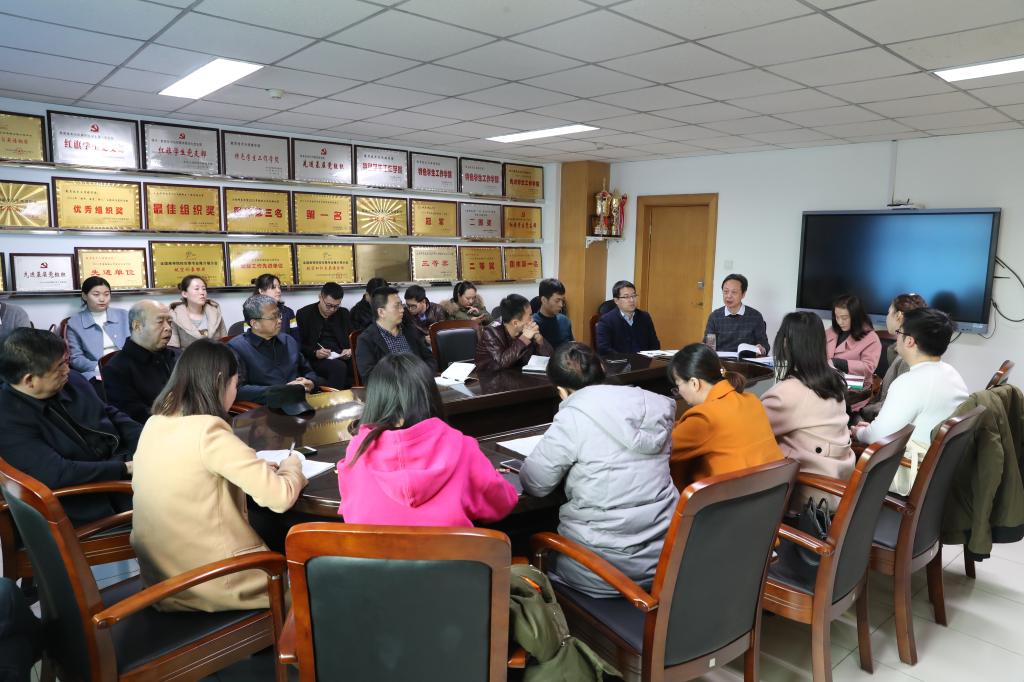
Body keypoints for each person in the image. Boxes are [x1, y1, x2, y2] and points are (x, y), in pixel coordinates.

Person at [130, 340, 307, 612]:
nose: (235, 392)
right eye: (236, 384)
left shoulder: (155, 423)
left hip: (164, 578)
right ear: (219, 381)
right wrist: (292, 465)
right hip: (212, 580)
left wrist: (254, 466)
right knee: (315, 577)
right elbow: (280, 497)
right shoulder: (209, 431)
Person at [520, 343, 678, 597]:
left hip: (600, 571)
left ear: (561, 391)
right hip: (664, 562)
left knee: (527, 544)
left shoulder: (573, 418)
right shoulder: (653, 408)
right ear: (603, 369)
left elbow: (536, 483)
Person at [338, 353, 517, 526]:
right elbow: (503, 503)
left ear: (375, 400)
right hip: (452, 547)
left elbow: (350, 508)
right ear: (429, 396)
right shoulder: (462, 447)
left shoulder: (357, 450)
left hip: (375, 548)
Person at [0, 328, 140, 524]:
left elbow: (109, 414)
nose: (67, 370)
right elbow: (59, 473)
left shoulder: (72, 381)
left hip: (121, 469)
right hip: (88, 500)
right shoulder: (7, 417)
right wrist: (125, 468)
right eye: (59, 367)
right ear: (29, 380)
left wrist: (147, 439)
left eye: (66, 361)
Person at [852, 307, 969, 494]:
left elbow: (878, 437)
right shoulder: (952, 374)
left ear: (909, 341)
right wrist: (870, 430)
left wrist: (859, 433)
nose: (896, 337)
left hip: (910, 474)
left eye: (899, 332)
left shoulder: (910, 382)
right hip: (940, 474)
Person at [761, 312, 854, 511]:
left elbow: (750, 430)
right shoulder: (834, 381)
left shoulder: (787, 394)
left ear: (785, 343)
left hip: (811, 494)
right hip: (839, 482)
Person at [669, 343, 783, 490]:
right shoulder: (752, 400)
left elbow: (663, 450)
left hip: (728, 500)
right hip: (769, 498)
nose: (679, 391)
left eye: (678, 385)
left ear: (694, 383)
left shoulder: (703, 418)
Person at [227, 294, 319, 404]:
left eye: (279, 315)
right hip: (266, 408)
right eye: (273, 317)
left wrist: (311, 382)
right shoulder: (236, 348)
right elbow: (238, 390)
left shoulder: (288, 340)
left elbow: (308, 371)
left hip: (302, 402)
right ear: (254, 324)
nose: (279, 320)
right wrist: (280, 391)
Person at [103, 300, 179, 424]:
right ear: (137, 326)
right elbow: (133, 417)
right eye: (160, 322)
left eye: (169, 322)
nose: (168, 328)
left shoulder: (178, 355)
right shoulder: (116, 370)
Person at [861, 293, 928, 421]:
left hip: (882, 421)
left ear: (898, 316)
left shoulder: (908, 358)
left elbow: (894, 407)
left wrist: (863, 412)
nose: (887, 317)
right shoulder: (901, 351)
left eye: (888, 312)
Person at [356, 286, 437, 380]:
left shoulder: (409, 330)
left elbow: (430, 359)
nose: (402, 309)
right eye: (396, 306)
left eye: (401, 305)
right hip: (393, 387)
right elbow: (370, 377)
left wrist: (423, 376)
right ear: (381, 312)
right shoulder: (366, 340)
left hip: (420, 382)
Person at [65, 276, 130, 385]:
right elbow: (76, 358)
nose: (102, 299)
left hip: (127, 366)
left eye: (106, 294)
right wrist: (99, 366)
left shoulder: (124, 315)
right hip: (96, 370)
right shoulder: (74, 322)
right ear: (84, 296)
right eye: (96, 294)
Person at [826, 294, 881, 411]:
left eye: (844, 318)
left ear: (856, 316)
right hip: (830, 379)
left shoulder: (871, 338)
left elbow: (869, 367)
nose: (840, 322)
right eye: (837, 317)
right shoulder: (831, 331)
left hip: (856, 385)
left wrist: (839, 363)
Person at [295, 282, 353, 389]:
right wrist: (315, 353)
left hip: (340, 354)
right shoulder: (304, 314)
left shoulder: (343, 313)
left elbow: (352, 338)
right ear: (320, 297)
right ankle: (334, 398)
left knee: (360, 361)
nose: (332, 310)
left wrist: (349, 350)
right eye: (329, 305)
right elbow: (300, 344)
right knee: (339, 367)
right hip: (317, 358)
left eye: (336, 306)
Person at [476, 294, 553, 372]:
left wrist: (540, 341)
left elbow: (551, 359)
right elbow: (502, 362)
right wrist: (524, 338)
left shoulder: (525, 330)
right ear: (515, 323)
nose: (532, 319)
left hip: (518, 375)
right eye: (530, 316)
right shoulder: (491, 332)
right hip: (490, 376)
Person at [703, 274, 770, 354]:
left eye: (734, 292)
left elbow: (765, 345)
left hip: (745, 361)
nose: (729, 296)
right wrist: (708, 347)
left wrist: (762, 349)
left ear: (743, 294)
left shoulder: (755, 316)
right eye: (726, 291)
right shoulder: (715, 316)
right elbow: (709, 345)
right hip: (721, 361)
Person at [595, 280, 660, 355]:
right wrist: (626, 359)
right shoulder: (606, 320)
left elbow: (654, 344)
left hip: (644, 360)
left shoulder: (644, 317)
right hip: (618, 361)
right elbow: (604, 349)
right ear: (616, 300)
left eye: (633, 296)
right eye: (626, 297)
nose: (632, 300)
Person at [168, 275, 226, 349]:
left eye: (204, 289)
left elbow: (225, 343)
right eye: (196, 289)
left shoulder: (215, 313)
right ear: (184, 294)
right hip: (187, 356)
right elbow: (174, 350)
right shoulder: (175, 316)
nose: (202, 292)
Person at [252, 273, 298, 341]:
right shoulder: (251, 312)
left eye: (279, 287)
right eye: (273, 288)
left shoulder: (288, 312)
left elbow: (296, 339)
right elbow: (248, 340)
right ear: (261, 291)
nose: (278, 291)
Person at [532, 278, 574, 349]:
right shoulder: (532, 324)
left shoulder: (564, 320)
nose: (561, 305)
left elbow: (571, 345)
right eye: (557, 301)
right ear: (544, 300)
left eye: (562, 300)